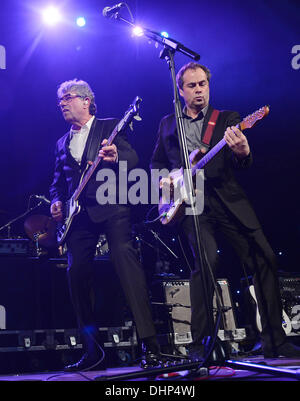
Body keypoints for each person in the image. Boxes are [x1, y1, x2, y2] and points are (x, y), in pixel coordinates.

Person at [150, 62, 300, 359]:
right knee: (204, 265)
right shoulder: (169, 124)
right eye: (191, 86)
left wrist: (243, 151)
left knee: (264, 257)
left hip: (226, 198)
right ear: (180, 90)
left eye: (203, 84)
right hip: (192, 203)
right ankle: (201, 346)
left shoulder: (228, 119)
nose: (198, 90)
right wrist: (165, 181)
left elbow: (240, 162)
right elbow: (156, 163)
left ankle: (274, 340)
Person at [49, 79, 162, 371]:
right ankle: (93, 353)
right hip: (79, 217)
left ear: (86, 101)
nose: (62, 102)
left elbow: (133, 157)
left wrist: (114, 157)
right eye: (60, 99)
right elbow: (58, 183)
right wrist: (56, 202)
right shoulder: (61, 142)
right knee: (76, 277)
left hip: (112, 208)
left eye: (68, 97)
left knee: (127, 267)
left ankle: (151, 346)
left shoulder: (109, 126)